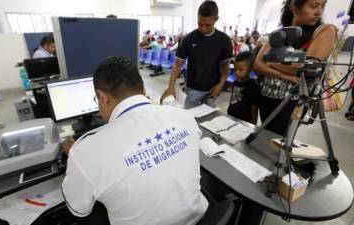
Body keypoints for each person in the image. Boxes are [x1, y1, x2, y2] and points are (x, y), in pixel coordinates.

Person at [61, 56, 208, 225]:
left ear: (102, 97)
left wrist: (77, 159)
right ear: (143, 89)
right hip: (201, 219)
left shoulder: (85, 152)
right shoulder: (184, 117)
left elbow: (79, 208)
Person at [254, 0, 336, 135]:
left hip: (292, 101)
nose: (319, 12)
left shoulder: (324, 31)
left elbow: (308, 68)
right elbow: (258, 64)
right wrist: (284, 74)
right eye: (314, 6)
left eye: (323, 6)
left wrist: (271, 62)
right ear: (295, 9)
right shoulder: (280, 32)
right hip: (266, 95)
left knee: (280, 142)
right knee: (265, 137)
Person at [161, 0, 233, 108]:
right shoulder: (187, 39)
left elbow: (225, 67)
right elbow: (177, 65)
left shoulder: (224, 40)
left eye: (208, 25)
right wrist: (171, 86)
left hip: (213, 89)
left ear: (216, 19)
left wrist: (221, 85)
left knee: (210, 119)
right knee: (190, 117)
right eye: (200, 23)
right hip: (192, 89)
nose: (203, 28)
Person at [227, 52, 260, 124]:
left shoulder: (252, 86)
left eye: (240, 70)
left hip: (245, 121)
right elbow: (232, 99)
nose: (237, 72)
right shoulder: (235, 82)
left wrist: (253, 124)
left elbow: (254, 107)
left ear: (250, 69)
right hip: (232, 117)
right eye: (235, 69)